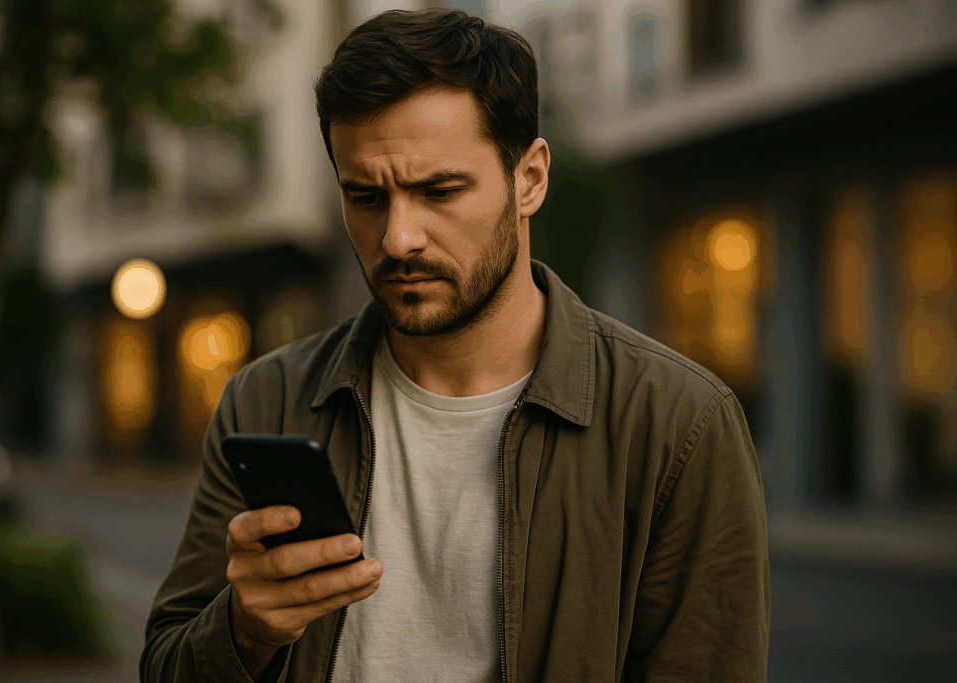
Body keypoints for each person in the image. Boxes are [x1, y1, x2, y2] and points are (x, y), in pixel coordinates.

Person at [141, 8, 770, 683]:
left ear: (529, 179)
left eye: (438, 190)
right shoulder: (266, 399)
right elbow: (167, 667)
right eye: (366, 197)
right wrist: (243, 628)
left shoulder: (676, 424)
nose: (398, 238)